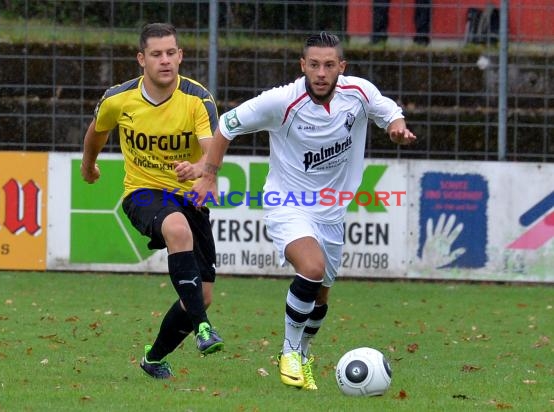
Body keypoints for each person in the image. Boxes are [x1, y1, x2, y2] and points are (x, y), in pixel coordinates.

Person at [193, 32, 416, 390]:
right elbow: (227, 125)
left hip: (332, 213)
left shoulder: (358, 93)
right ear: (303, 66)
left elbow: (388, 112)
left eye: (329, 65)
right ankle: (289, 352)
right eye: (314, 64)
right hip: (287, 203)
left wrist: (396, 128)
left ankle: (304, 353)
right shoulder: (281, 101)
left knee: (321, 296)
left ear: (341, 67)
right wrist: (209, 174)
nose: (322, 72)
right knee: (311, 269)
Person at [80, 22, 224, 380]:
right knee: (177, 229)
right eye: (156, 54)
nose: (165, 61)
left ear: (180, 56)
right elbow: (97, 130)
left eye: (171, 53)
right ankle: (204, 330)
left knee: (202, 294)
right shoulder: (119, 98)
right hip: (142, 193)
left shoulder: (198, 99)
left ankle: (154, 358)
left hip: (188, 197)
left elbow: (212, 152)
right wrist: (89, 165)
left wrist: (201, 169)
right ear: (141, 59)